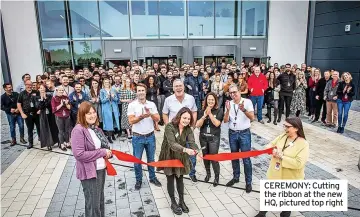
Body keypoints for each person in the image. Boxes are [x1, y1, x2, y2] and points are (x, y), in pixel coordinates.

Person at [254, 117, 309, 217]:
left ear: (296, 128)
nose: (285, 128)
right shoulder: (283, 136)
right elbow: (270, 145)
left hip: (290, 179)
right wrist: (271, 150)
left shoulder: (303, 144)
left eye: (287, 126)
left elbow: (299, 163)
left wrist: (282, 157)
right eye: (284, 126)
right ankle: (261, 214)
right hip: (275, 174)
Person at [71, 101, 112, 217]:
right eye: (88, 113)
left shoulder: (96, 129)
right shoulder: (78, 130)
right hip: (89, 172)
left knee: (99, 201)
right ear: (82, 115)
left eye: (94, 112)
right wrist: (102, 152)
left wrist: (108, 152)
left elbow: (104, 146)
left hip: (100, 169)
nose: (92, 115)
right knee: (93, 204)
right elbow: (79, 154)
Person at [157, 107, 201, 215]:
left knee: (180, 178)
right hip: (169, 155)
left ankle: (181, 201)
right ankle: (173, 202)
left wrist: (197, 151)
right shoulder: (169, 126)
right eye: (184, 117)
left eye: (188, 118)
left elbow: (192, 142)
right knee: (170, 178)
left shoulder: (188, 129)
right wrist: (186, 150)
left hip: (180, 156)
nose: (186, 120)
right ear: (179, 116)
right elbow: (172, 144)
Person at [162, 79, 198, 182]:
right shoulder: (168, 99)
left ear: (184, 86)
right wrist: (167, 126)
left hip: (187, 131)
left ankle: (192, 172)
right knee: (175, 152)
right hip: (174, 132)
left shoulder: (190, 98)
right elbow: (164, 113)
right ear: (173, 88)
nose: (178, 88)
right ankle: (176, 172)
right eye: (176, 86)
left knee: (192, 151)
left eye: (180, 85)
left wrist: (193, 126)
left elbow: (194, 111)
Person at [128, 83, 162, 190]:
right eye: (139, 90)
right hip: (138, 137)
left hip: (150, 136)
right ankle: (139, 180)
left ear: (145, 91)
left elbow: (158, 119)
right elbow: (131, 121)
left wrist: (150, 114)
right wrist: (141, 117)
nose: (141, 92)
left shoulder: (151, 104)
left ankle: (152, 177)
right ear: (136, 92)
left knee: (151, 159)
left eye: (143, 90)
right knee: (137, 160)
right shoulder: (132, 105)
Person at [223, 84, 254, 191]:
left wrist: (244, 110)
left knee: (246, 159)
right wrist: (227, 110)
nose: (233, 95)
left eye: (234, 92)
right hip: (232, 133)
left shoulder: (247, 102)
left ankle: (248, 182)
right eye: (230, 93)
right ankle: (236, 177)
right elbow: (225, 121)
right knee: (234, 157)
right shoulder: (228, 103)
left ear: (239, 91)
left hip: (244, 133)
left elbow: (252, 118)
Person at [195, 92, 223, 187]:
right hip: (203, 137)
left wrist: (210, 114)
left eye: (212, 99)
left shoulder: (219, 111)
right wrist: (204, 115)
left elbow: (217, 124)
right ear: (206, 100)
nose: (210, 101)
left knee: (214, 158)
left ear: (215, 101)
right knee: (205, 157)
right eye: (209, 99)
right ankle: (208, 174)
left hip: (214, 138)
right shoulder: (200, 111)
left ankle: (216, 177)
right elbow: (197, 125)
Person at [17, 80, 40, 149]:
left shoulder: (36, 92)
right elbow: (19, 104)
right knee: (30, 129)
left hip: (36, 114)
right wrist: (22, 113)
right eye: (28, 84)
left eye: (31, 84)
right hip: (27, 114)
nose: (29, 86)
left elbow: (40, 101)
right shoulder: (22, 93)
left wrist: (40, 109)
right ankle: (30, 143)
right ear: (25, 85)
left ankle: (42, 141)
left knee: (39, 128)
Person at [37, 84, 58, 150]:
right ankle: (48, 144)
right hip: (43, 114)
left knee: (53, 127)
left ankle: (55, 141)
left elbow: (49, 104)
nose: (42, 89)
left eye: (43, 88)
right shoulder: (37, 97)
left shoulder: (49, 96)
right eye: (40, 88)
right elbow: (39, 107)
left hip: (50, 113)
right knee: (45, 128)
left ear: (45, 89)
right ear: (39, 89)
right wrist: (42, 99)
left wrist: (45, 98)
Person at [100, 78, 120, 143]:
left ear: (109, 83)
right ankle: (109, 137)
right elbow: (102, 101)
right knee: (108, 122)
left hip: (113, 108)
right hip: (106, 109)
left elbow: (117, 99)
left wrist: (113, 97)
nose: (107, 83)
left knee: (114, 121)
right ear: (103, 83)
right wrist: (107, 97)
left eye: (108, 82)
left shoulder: (113, 90)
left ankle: (113, 134)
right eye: (105, 82)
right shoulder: (102, 91)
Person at [51, 86, 71, 151]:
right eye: (60, 90)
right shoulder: (54, 98)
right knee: (61, 131)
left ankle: (67, 142)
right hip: (59, 116)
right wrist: (61, 104)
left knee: (67, 130)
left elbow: (69, 108)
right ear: (57, 91)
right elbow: (54, 109)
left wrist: (67, 104)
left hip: (66, 115)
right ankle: (62, 144)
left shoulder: (66, 97)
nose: (61, 92)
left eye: (62, 90)